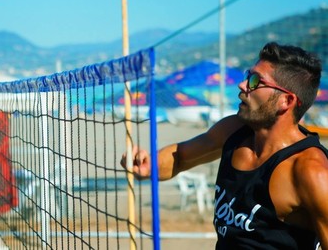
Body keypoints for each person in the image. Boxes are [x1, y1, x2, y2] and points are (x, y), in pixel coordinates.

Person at [120, 42, 328, 249]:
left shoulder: (311, 171)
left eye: (256, 81)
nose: (243, 85)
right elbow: (181, 157)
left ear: (286, 101)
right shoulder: (233, 130)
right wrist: (150, 166)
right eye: (248, 75)